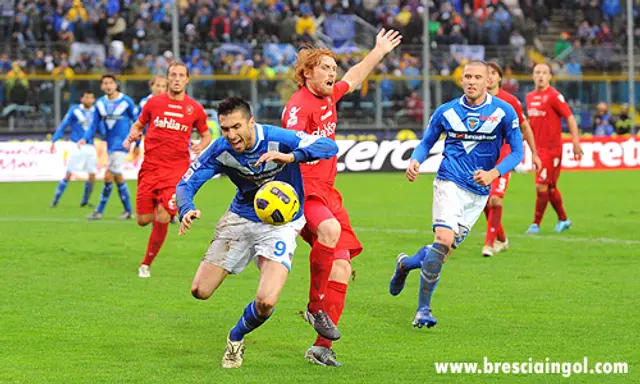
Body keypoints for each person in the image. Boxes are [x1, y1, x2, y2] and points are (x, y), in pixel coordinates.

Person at [175, 96, 338, 369]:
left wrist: (292, 156)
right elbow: (186, 183)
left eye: (236, 127)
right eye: (225, 129)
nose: (231, 135)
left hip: (281, 224)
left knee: (266, 302)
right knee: (199, 291)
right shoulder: (220, 149)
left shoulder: (277, 138)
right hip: (240, 218)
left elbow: (328, 146)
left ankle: (235, 338)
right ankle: (256, 256)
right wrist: (186, 208)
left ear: (251, 122)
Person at [282, 29, 402, 367]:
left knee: (342, 265)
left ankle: (321, 347)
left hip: (329, 193)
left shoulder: (329, 97)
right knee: (330, 232)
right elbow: (289, 144)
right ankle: (313, 306)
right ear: (307, 73)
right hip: (305, 191)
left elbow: (355, 74)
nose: (332, 73)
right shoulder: (297, 107)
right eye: (324, 68)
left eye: (333, 68)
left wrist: (378, 51)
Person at [389, 61, 524, 328]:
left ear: (488, 81)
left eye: (477, 77)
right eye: (467, 77)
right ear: (461, 80)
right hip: (448, 181)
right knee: (443, 238)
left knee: (441, 253)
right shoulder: (446, 111)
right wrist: (416, 160)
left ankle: (405, 264)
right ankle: (423, 311)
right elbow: (427, 142)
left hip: (478, 193)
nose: (471, 81)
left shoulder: (504, 112)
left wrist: (493, 174)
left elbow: (518, 153)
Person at [123, 63, 211, 278]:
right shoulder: (153, 103)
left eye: (181, 75)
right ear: (168, 78)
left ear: (187, 80)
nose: (177, 79)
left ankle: (146, 264)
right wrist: (134, 134)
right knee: (143, 220)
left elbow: (206, 134)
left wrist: (202, 144)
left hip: (175, 171)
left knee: (162, 216)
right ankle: (161, 208)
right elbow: (138, 124)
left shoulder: (195, 108)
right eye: (173, 75)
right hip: (150, 168)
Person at [481, 62, 542, 257]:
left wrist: (534, 153)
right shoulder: (476, 101)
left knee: (496, 200)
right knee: (483, 202)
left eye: (492, 73)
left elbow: (525, 128)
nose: (489, 77)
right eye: (485, 73)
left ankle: (489, 244)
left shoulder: (510, 101)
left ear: (500, 77)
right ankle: (502, 239)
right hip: (481, 158)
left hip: (504, 157)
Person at [525, 63, 583, 234]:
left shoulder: (554, 96)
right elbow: (531, 124)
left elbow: (570, 118)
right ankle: (564, 220)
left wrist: (576, 142)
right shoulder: (529, 97)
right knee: (549, 188)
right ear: (533, 76)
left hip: (552, 150)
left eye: (544, 72)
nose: (540, 76)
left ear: (550, 76)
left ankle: (536, 224)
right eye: (537, 72)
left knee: (541, 186)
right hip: (537, 149)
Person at [81, 74, 138, 220]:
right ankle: (129, 211)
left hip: (122, 144)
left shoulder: (126, 102)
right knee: (118, 177)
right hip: (110, 146)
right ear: (101, 86)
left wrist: (137, 143)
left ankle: (99, 211)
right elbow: (93, 125)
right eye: (105, 83)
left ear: (116, 85)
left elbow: (138, 122)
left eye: (110, 83)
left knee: (108, 175)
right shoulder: (100, 104)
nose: (108, 86)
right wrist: (85, 138)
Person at [50, 91, 97, 208]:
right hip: (77, 145)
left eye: (91, 98)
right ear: (82, 99)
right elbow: (64, 125)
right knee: (69, 173)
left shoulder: (96, 111)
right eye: (87, 97)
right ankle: (55, 200)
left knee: (92, 175)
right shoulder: (75, 110)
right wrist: (54, 139)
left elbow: (101, 127)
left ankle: (85, 201)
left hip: (90, 145)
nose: (89, 100)